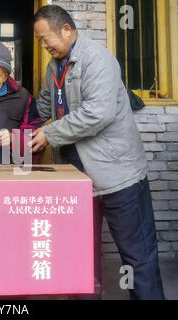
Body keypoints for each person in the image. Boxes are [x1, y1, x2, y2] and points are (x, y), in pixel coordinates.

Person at [29, 5, 165, 300]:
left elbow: (97, 114)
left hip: (118, 178)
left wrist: (49, 134)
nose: (43, 46)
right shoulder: (55, 67)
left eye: (44, 38)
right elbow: (41, 108)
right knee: (80, 260)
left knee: (138, 258)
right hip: (76, 180)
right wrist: (12, 122)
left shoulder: (98, 59)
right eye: (39, 41)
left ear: (66, 29)